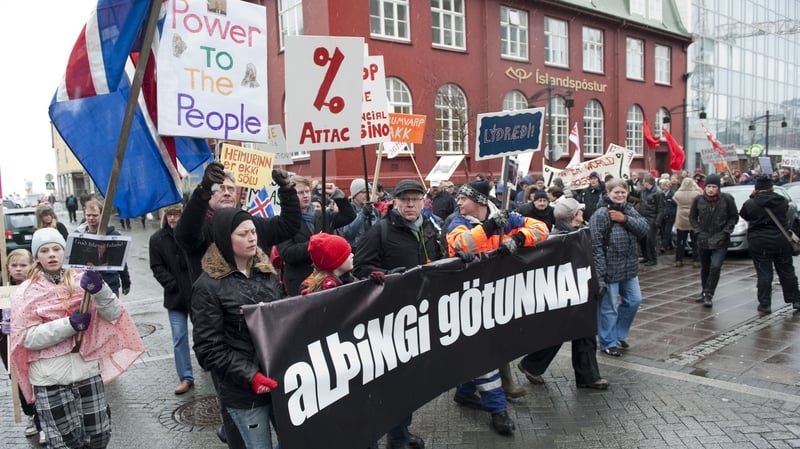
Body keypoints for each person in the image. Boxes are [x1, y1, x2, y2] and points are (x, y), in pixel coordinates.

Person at [174, 161, 300, 448]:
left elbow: (289, 224)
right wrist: (204, 189)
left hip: (266, 358)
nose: (251, 238)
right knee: (238, 413)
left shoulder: (258, 250)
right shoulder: (203, 232)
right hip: (226, 341)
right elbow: (184, 233)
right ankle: (235, 432)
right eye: (221, 188)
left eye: (232, 188)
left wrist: (287, 189)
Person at [10, 228, 143, 449]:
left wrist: (99, 290)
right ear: (36, 257)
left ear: (66, 252)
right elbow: (27, 337)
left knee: (99, 435)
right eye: (44, 250)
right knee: (64, 442)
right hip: (50, 378)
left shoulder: (83, 281)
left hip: (87, 372)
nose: (51, 254)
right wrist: (69, 325)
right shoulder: (25, 292)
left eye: (56, 249)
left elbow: (113, 314)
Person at [445, 179, 549, 436]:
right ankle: (497, 410)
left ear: (479, 201)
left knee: (482, 350)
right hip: (467, 300)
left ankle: (465, 392)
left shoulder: (509, 219)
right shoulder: (457, 222)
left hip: (499, 298)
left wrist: (521, 238)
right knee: (484, 353)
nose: (458, 202)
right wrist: (490, 226)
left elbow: (541, 228)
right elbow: (463, 244)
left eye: (463, 198)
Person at [354, 179, 447, 449]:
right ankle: (382, 437)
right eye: (404, 198)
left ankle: (400, 434)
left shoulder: (430, 228)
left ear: (423, 202)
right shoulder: (380, 231)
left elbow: (437, 261)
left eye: (415, 199)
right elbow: (360, 269)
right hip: (387, 320)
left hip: (420, 317)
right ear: (395, 201)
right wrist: (391, 277)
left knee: (408, 383)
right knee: (388, 385)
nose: (409, 204)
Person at [192, 208, 284, 449]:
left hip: (278, 380)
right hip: (244, 394)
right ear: (225, 238)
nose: (252, 238)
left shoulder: (267, 273)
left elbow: (284, 316)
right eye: (243, 233)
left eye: (253, 231)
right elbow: (208, 348)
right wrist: (250, 375)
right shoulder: (208, 286)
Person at [518, 198, 609, 389]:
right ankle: (585, 376)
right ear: (574, 216)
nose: (583, 214)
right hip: (569, 293)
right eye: (580, 212)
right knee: (575, 332)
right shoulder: (562, 238)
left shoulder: (571, 233)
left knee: (573, 332)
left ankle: (535, 365)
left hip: (574, 291)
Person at [590, 179, 649, 357]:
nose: (620, 195)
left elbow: (644, 228)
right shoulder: (601, 214)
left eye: (623, 192)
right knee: (609, 308)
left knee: (634, 300)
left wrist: (625, 220)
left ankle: (618, 335)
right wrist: (601, 271)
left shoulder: (628, 209)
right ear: (608, 193)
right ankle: (608, 342)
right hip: (609, 269)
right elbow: (596, 245)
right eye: (616, 192)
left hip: (629, 267)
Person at [276, 176, 355, 296]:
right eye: (300, 193)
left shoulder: (322, 215)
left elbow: (349, 216)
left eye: (307, 191)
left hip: (327, 279)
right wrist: (315, 245)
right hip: (301, 281)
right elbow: (287, 254)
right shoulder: (283, 222)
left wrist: (336, 194)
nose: (306, 195)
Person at [149, 203, 195, 395]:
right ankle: (186, 377)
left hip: (196, 294)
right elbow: (157, 266)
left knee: (204, 333)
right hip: (175, 297)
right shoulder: (157, 239)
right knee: (179, 337)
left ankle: (209, 362)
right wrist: (172, 284)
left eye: (176, 214)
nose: (173, 218)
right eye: (170, 215)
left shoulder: (190, 234)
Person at [738, 176, 800, 314]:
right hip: (780, 240)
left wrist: (752, 197)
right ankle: (795, 299)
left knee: (764, 273)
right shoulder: (782, 201)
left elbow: (744, 215)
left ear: (756, 188)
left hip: (759, 242)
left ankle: (765, 304)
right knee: (787, 271)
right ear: (771, 187)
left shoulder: (751, 203)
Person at [0, 249, 44, 442]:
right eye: (14, 266)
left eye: (22, 265)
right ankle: (31, 415)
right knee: (17, 378)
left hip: (31, 339)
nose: (18, 269)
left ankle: (44, 419)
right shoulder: (3, 287)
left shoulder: (37, 286)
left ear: (31, 265)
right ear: (8, 268)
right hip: (8, 342)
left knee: (37, 377)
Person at [689, 174, 738, 307]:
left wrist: (726, 231)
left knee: (715, 266)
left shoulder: (726, 199)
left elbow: (734, 217)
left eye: (714, 187)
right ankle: (704, 291)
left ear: (718, 188)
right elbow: (693, 217)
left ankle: (709, 293)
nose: (710, 189)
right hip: (704, 239)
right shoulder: (698, 200)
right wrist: (698, 231)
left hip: (720, 239)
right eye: (708, 187)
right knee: (705, 267)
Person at [75, 199, 132, 297]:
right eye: (88, 215)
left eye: (95, 215)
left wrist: (126, 281)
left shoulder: (113, 235)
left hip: (110, 283)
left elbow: (121, 260)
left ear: (101, 215)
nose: (91, 218)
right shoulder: (78, 235)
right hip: (87, 284)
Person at [629, 174, 664, 266]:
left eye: (644, 181)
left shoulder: (658, 193)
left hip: (652, 219)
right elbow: (634, 193)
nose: (642, 183)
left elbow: (661, 208)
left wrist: (658, 221)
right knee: (642, 239)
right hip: (643, 218)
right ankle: (646, 257)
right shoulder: (643, 191)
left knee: (650, 240)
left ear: (648, 182)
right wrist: (630, 185)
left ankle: (653, 259)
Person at [336, 178, 381, 246]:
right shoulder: (346, 211)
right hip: (355, 250)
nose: (367, 195)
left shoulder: (375, 212)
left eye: (369, 192)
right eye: (364, 192)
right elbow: (347, 233)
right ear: (355, 194)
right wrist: (362, 214)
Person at [673, 178, 703, 268]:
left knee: (680, 241)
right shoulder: (696, 194)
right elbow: (702, 193)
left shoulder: (678, 194)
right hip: (693, 218)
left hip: (681, 219)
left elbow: (674, 198)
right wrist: (696, 186)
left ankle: (679, 260)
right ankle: (696, 260)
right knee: (695, 241)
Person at [658, 178, 676, 253]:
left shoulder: (673, 194)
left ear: (669, 186)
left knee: (667, 231)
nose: (664, 187)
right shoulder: (661, 194)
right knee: (662, 231)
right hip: (663, 215)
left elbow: (675, 205)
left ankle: (663, 246)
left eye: (665, 186)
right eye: (663, 186)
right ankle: (670, 245)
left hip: (670, 216)